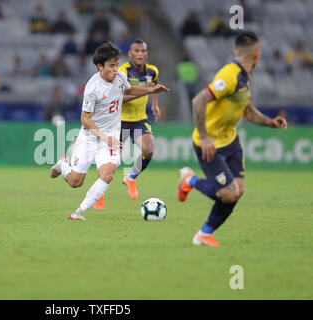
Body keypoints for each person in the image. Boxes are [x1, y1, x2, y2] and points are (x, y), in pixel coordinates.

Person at [177, 31, 287, 247]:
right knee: (228, 193)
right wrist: (206, 137)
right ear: (258, 54)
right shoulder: (229, 75)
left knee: (238, 191)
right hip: (209, 144)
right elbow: (198, 100)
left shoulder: (245, 77)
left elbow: (246, 110)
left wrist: (270, 122)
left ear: (237, 51)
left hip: (231, 142)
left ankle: (203, 234)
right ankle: (189, 179)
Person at [49, 42, 169, 220]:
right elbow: (85, 119)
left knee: (108, 174)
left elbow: (129, 90)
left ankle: (79, 212)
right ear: (100, 66)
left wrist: (150, 90)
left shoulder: (120, 77)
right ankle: (62, 165)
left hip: (111, 135)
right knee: (76, 182)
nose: (115, 69)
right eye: (111, 65)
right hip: (91, 136)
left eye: (117, 64)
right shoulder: (92, 88)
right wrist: (105, 138)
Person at [94, 39, 168, 209]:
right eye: (137, 51)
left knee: (149, 150)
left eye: (143, 51)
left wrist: (154, 104)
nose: (140, 54)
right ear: (130, 54)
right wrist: (144, 93)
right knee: (110, 162)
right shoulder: (122, 71)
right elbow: (118, 97)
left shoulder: (152, 71)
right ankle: (99, 194)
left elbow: (154, 85)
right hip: (117, 121)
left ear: (147, 53)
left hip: (139, 120)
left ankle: (131, 177)